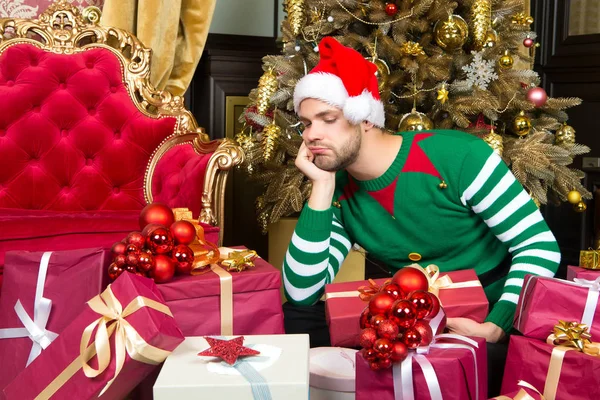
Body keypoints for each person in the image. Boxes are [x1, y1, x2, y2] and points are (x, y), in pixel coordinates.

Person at [282, 36, 560, 396]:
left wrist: (497, 325)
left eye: (328, 119)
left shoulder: (458, 156)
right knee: (295, 319)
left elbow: (539, 246)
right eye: (305, 123)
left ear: (364, 117)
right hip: (403, 315)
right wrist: (320, 187)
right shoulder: (336, 189)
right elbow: (303, 293)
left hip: (484, 313)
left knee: (488, 359)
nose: (312, 135)